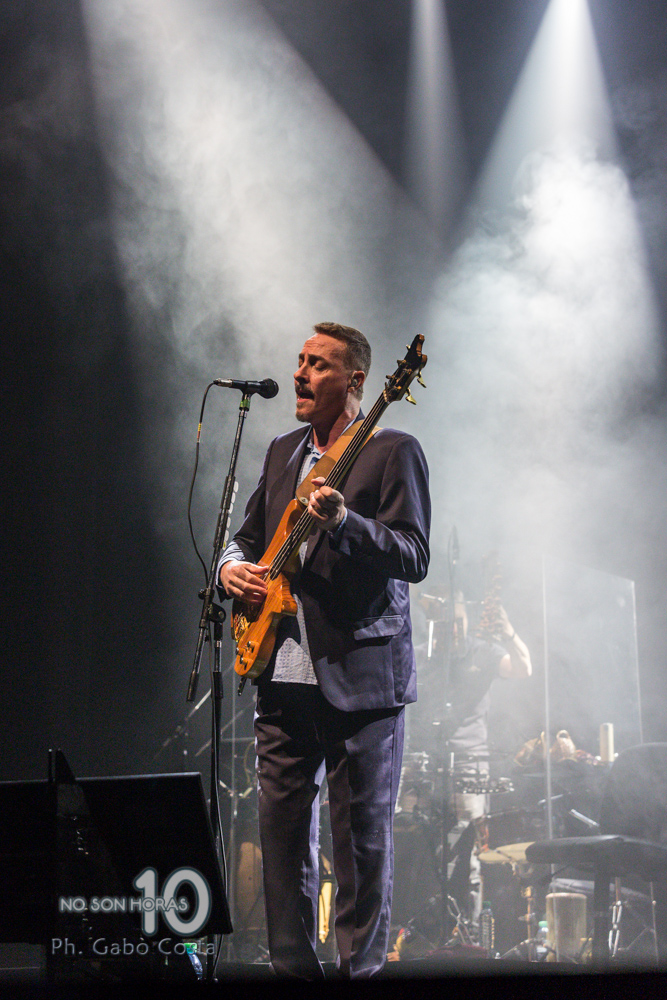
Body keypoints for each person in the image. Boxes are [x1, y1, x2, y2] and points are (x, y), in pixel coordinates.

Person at [218, 322, 430, 978]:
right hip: (280, 671)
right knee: (281, 847)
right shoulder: (283, 451)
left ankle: (358, 976)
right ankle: (292, 974)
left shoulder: (392, 449)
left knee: (359, 850)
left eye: (318, 364)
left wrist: (345, 521)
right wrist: (230, 569)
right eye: (300, 361)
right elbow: (247, 537)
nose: (300, 373)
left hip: (359, 677)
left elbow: (413, 555)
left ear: (356, 380)